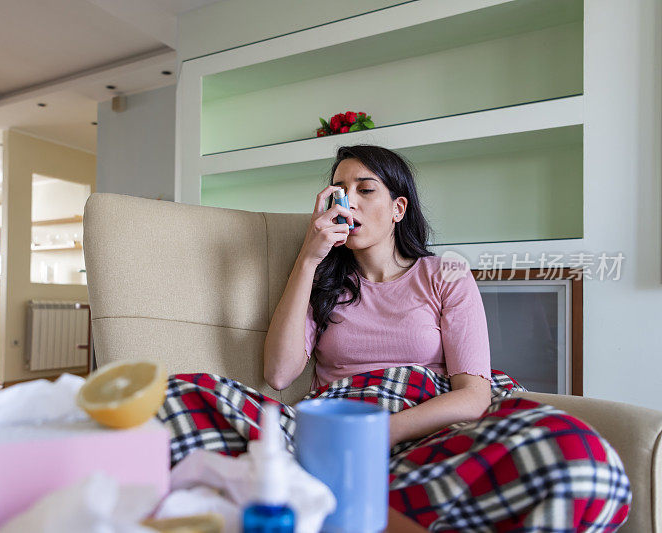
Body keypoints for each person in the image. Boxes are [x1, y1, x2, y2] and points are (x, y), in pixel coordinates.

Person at [156, 145, 632, 531]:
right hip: (334, 422)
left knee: (575, 454)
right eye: (338, 192)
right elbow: (279, 373)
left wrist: (377, 435)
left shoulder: (445, 273)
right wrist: (308, 258)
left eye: (365, 189)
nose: (349, 202)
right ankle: (353, 499)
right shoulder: (322, 282)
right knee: (177, 396)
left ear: (398, 207)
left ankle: (352, 500)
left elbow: (473, 395)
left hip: (427, 422)